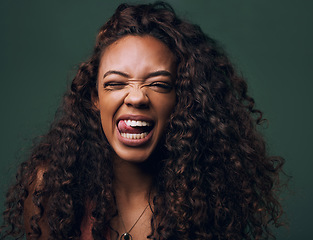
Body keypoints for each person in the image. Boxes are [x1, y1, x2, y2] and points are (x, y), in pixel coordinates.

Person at [1, 2, 285, 240]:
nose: (136, 97)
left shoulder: (211, 199)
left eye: (159, 84)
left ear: (181, 99)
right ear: (94, 97)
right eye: (115, 83)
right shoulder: (50, 191)